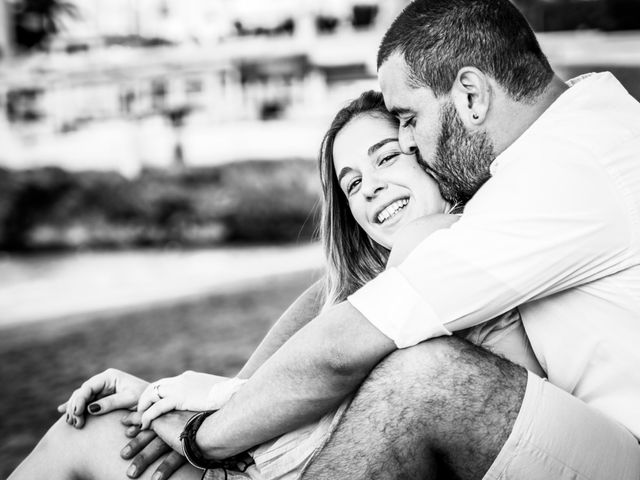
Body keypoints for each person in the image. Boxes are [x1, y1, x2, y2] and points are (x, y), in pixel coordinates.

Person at [111, 1, 640, 479]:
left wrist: (199, 437)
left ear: (473, 95)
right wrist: (219, 393)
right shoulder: (575, 130)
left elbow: (345, 344)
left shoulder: (559, 174)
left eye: (409, 120)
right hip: (594, 436)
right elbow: (335, 297)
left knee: (428, 378)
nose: (407, 139)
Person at [8, 91, 542, 480]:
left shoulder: (453, 247)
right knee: (90, 433)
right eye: (352, 183)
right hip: (270, 465)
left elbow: (511, 411)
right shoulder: (341, 293)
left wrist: (185, 418)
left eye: (386, 156)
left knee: (84, 439)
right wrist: (158, 401)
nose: (371, 186)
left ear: (428, 153)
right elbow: (253, 399)